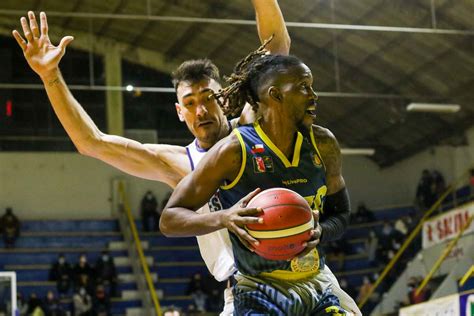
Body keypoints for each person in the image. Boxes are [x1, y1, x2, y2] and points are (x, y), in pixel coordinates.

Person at [12, 6, 360, 315]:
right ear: (179, 113)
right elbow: (92, 143)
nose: (201, 110)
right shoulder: (179, 163)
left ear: (224, 98)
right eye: (189, 103)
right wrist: (50, 76)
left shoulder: (254, 126)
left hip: (310, 273)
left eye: (207, 97)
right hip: (248, 289)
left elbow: (277, 49)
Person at [160, 51, 351, 314]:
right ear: (275, 95)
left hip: (317, 285)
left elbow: (341, 214)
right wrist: (224, 217)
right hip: (257, 291)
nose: (313, 96)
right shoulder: (233, 151)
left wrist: (323, 231)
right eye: (304, 87)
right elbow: (169, 219)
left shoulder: (324, 144)